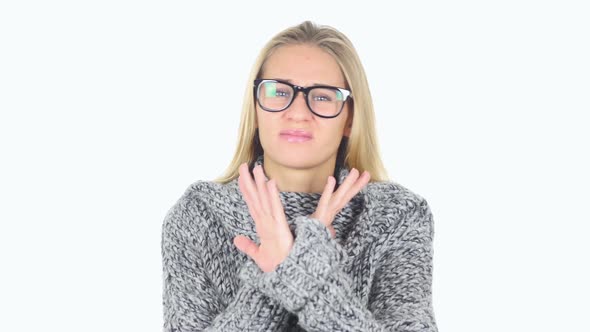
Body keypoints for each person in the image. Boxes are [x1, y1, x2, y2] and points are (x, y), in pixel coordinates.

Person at [161, 20, 438, 331]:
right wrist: (278, 272)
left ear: (349, 118)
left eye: (322, 96)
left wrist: (299, 270)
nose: (298, 112)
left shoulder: (396, 216)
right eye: (279, 91)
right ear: (256, 108)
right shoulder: (199, 215)